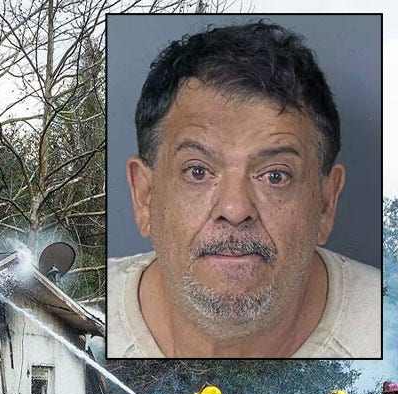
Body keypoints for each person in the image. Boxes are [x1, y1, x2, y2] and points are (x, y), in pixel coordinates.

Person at [111, 21, 380, 358]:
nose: (235, 209)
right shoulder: (91, 316)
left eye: (275, 176)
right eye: (198, 171)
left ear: (325, 203)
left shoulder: (386, 322)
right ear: (144, 196)